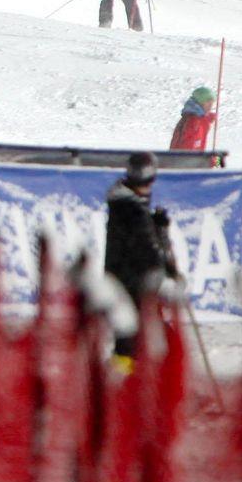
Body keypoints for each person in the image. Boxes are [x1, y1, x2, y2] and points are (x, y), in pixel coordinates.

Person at [102, 152, 177, 358]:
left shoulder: (125, 205)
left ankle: (125, 370)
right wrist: (161, 238)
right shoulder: (132, 210)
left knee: (129, 342)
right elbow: (148, 253)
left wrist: (155, 226)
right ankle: (129, 374)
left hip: (124, 284)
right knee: (136, 343)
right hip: (133, 286)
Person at [170, 87, 216, 151]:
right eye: (208, 102)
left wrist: (207, 119)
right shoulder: (194, 121)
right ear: (200, 102)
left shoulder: (197, 119)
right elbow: (187, 148)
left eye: (212, 102)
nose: (211, 105)